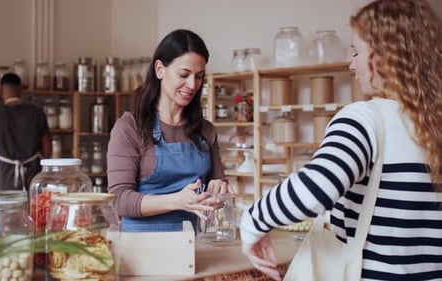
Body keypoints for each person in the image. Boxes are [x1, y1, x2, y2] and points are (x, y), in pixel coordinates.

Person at [240, 0, 442, 280]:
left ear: (384, 57)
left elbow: (318, 186)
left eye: (357, 51)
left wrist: (252, 220)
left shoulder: (366, 119)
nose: (351, 64)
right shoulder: (434, 125)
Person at [107, 29, 229, 232]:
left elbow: (219, 190)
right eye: (184, 74)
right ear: (159, 69)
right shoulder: (130, 127)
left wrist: (219, 193)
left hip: (193, 246)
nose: (192, 85)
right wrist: (176, 201)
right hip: (140, 247)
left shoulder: (205, 130)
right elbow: (119, 200)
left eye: (199, 77)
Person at [0, 73, 52, 191]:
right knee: (35, 207)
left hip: (6, 176)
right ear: (20, 90)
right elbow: (47, 151)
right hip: (33, 174)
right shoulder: (37, 114)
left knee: (9, 208)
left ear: (1, 92)